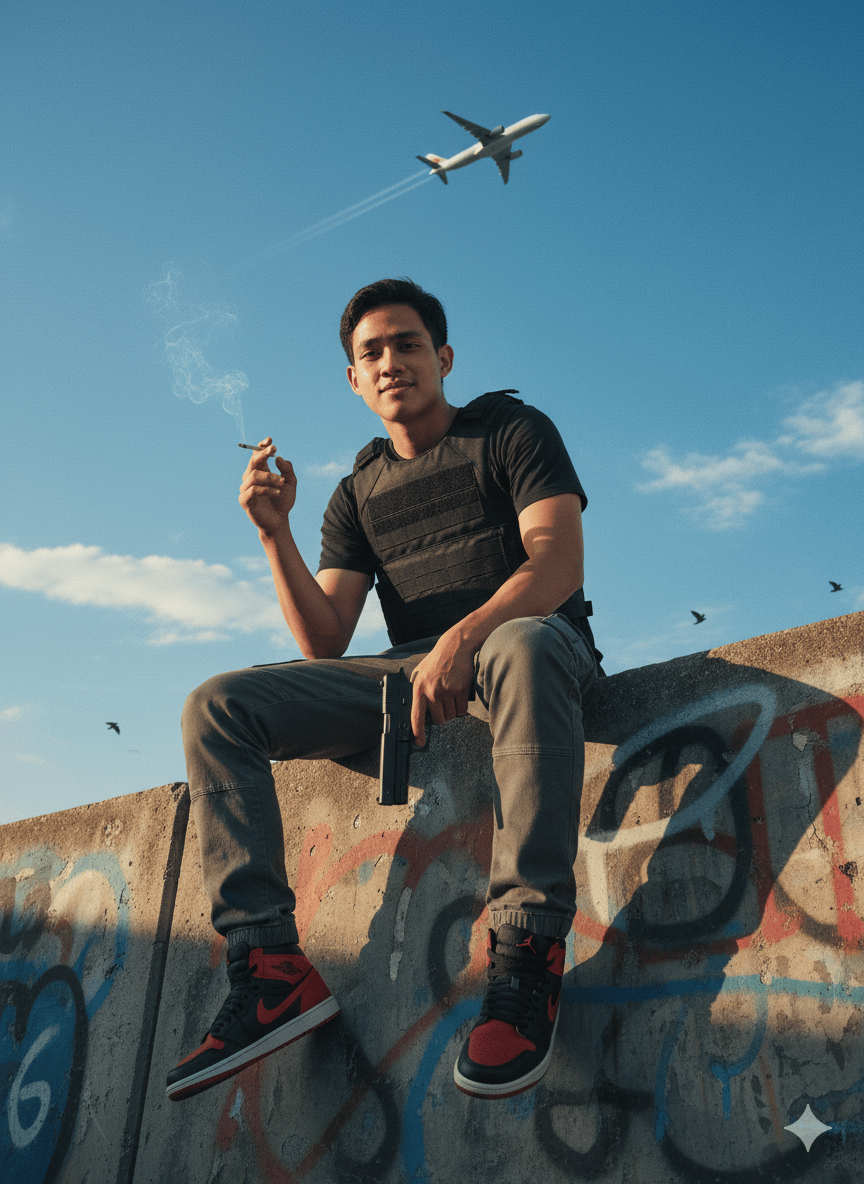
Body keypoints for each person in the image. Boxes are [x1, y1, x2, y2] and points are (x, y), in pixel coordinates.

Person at [167, 278, 601, 1103]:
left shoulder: (511, 430)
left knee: (519, 641)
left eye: (408, 345)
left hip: (537, 649)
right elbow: (325, 636)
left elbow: (556, 565)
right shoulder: (356, 490)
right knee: (217, 703)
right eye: (372, 352)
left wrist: (461, 638)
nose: (392, 361)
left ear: (442, 358)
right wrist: (274, 534)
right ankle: (271, 967)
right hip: (412, 673)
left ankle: (527, 951)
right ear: (354, 381)